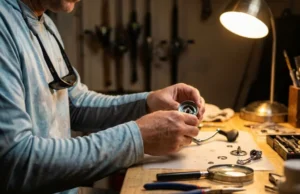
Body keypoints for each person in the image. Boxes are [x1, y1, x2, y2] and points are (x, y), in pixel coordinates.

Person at [0, 0, 205, 193]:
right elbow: (16, 162)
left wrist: (147, 102)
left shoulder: (46, 25)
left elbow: (75, 103)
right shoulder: (4, 27)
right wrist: (137, 138)